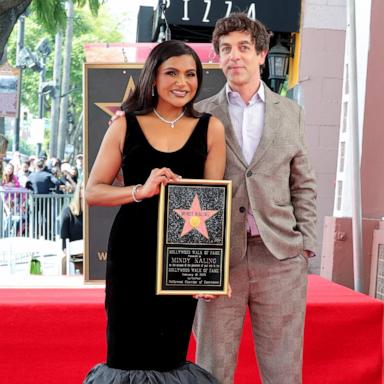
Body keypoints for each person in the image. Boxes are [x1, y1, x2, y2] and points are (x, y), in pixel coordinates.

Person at [83, 40, 226, 384]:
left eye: (191, 74)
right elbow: (92, 191)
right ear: (153, 77)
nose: (183, 82)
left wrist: (208, 269)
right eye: (172, 72)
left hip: (179, 261)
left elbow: (212, 203)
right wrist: (140, 191)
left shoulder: (211, 128)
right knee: (125, 353)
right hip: (131, 253)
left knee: (168, 357)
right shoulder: (124, 125)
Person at [192, 13, 317, 384]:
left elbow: (303, 183)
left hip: (280, 256)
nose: (234, 56)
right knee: (212, 368)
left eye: (244, 47)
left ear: (261, 54)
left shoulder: (291, 113)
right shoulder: (201, 114)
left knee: (282, 370)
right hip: (220, 260)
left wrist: (306, 244)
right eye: (226, 49)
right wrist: (200, 260)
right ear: (217, 56)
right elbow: (193, 189)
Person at [60, 181, 84, 274]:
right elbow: (63, 238)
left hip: (93, 256)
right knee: (64, 261)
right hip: (75, 256)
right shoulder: (68, 212)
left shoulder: (95, 212)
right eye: (82, 188)